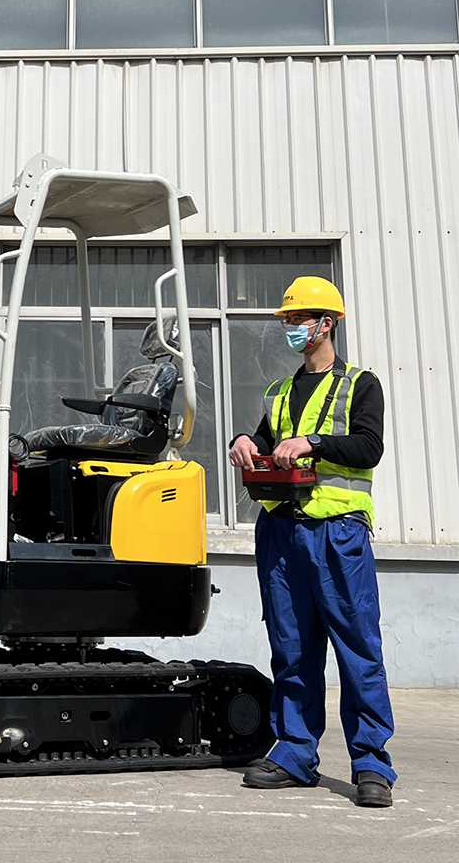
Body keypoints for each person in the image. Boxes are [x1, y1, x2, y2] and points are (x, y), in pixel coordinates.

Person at [228, 276, 395, 809]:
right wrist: (244, 441)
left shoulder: (360, 384)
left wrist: (314, 443)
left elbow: (368, 447)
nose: (292, 328)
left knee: (358, 649)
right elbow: (265, 440)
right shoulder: (280, 391)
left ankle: (371, 765)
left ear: (327, 324)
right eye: (288, 320)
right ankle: (295, 753)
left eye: (299, 319)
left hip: (337, 534)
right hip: (281, 533)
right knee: (292, 647)